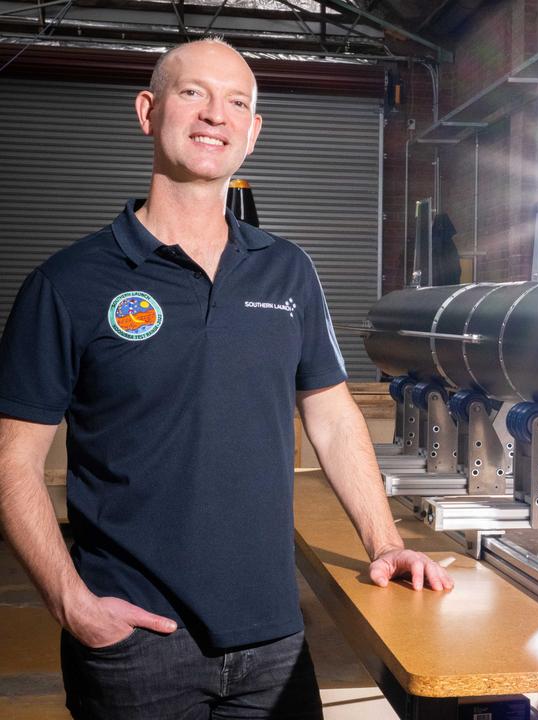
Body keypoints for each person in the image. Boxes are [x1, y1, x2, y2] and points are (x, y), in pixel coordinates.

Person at [0, 38, 453, 719]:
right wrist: (72, 603)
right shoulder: (68, 284)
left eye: (236, 102)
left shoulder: (288, 271)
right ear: (149, 111)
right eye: (193, 94)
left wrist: (386, 543)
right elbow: (12, 460)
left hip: (272, 638)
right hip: (134, 647)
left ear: (253, 133)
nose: (216, 114)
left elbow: (332, 416)